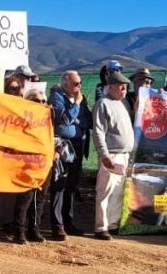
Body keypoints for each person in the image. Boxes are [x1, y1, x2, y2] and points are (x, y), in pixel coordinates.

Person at [91, 71, 135, 240]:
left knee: (117, 191)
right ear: (110, 87)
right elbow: (99, 132)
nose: (124, 88)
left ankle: (113, 224)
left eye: (125, 86)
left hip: (124, 155)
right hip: (112, 155)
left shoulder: (123, 103)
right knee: (105, 191)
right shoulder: (103, 104)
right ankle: (101, 227)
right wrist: (104, 154)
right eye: (120, 86)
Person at [48, 70, 92, 239]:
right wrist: (76, 106)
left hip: (78, 144)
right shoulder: (57, 97)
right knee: (60, 183)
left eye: (80, 83)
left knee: (72, 185)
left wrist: (77, 118)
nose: (79, 87)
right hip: (63, 145)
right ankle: (57, 225)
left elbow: (87, 120)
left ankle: (69, 221)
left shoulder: (82, 99)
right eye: (75, 84)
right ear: (65, 84)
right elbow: (64, 120)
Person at [12, 88, 50, 245]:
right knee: (25, 197)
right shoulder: (21, 118)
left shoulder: (48, 119)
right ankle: (19, 230)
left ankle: (34, 229)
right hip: (27, 162)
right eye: (36, 101)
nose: (40, 103)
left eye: (43, 101)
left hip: (44, 162)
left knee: (40, 197)